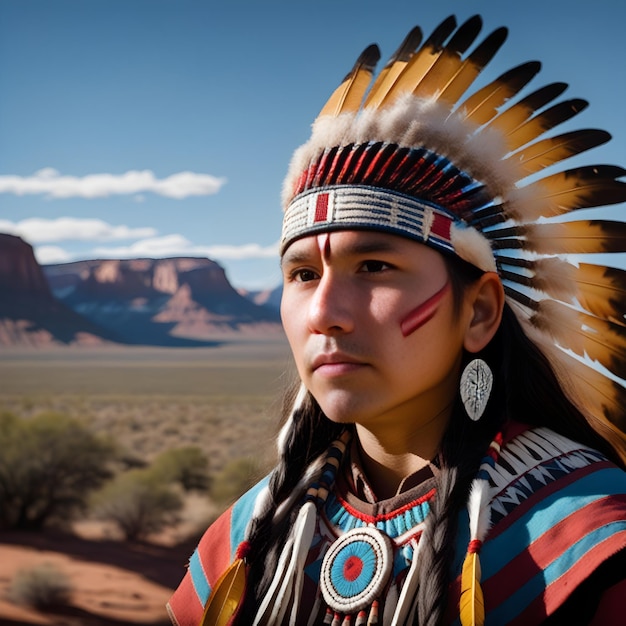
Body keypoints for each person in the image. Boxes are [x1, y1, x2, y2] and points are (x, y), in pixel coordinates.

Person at [168, 14, 626, 626]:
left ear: (480, 310)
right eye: (302, 275)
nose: (325, 314)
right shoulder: (245, 542)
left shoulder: (584, 541)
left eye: (376, 267)